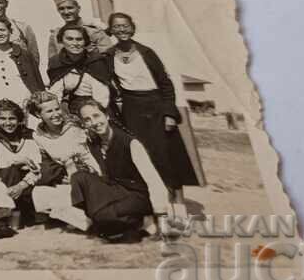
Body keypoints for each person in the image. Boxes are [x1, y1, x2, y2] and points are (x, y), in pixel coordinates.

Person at [102, 12, 200, 200]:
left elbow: (165, 84)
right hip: (132, 111)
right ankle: (157, 204)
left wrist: (169, 113)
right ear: (111, 30)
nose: (121, 30)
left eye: (125, 25)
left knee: (167, 156)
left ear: (132, 28)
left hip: (156, 107)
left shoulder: (146, 53)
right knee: (142, 156)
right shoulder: (109, 56)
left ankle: (179, 206)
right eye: (117, 26)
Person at [71, 99, 174, 243]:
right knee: (79, 177)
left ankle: (143, 222)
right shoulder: (94, 142)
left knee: (101, 216)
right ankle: (117, 221)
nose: (94, 122)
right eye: (87, 120)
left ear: (106, 115)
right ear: (84, 124)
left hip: (139, 195)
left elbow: (153, 180)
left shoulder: (130, 143)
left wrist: (161, 215)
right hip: (118, 190)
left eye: (96, 116)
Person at [26, 91, 95, 232]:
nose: (56, 114)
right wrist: (60, 175)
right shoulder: (38, 135)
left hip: (91, 173)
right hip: (65, 177)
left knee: (66, 200)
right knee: (39, 193)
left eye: (57, 108)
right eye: (49, 111)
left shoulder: (76, 125)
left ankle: (88, 218)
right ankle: (84, 218)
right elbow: (46, 162)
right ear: (39, 115)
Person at [0, 99, 44, 227]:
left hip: (26, 184)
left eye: (12, 118)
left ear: (19, 120)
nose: (7, 123)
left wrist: (21, 185)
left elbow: (37, 166)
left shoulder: (28, 137)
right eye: (3, 118)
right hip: (4, 183)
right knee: (10, 171)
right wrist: (19, 161)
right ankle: (7, 212)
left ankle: (19, 213)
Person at [0, 18, 45, 117]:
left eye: (2, 30)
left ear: (9, 31)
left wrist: (26, 103)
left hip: (22, 99)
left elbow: (31, 80)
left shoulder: (23, 54)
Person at [46, 24, 112, 119]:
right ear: (61, 41)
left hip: (98, 109)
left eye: (79, 39)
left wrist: (96, 116)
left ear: (85, 41)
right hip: (73, 109)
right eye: (70, 39)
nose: (75, 43)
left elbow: (102, 96)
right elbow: (55, 94)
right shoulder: (57, 62)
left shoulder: (96, 61)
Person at [45, 0, 114, 61]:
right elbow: (53, 62)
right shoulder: (55, 35)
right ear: (58, 11)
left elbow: (108, 56)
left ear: (78, 8)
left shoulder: (94, 31)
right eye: (61, 9)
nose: (66, 12)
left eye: (70, 8)